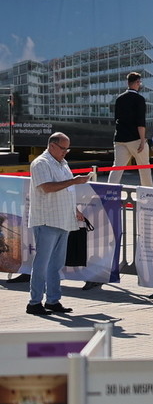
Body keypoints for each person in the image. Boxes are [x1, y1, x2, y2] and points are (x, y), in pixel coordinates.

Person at [25, 132, 90, 317]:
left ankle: (53, 300)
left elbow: (67, 191)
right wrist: (74, 181)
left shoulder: (62, 162)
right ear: (52, 146)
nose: (65, 152)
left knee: (56, 264)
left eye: (67, 149)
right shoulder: (41, 163)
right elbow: (47, 187)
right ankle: (34, 302)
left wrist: (75, 210)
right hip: (47, 220)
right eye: (63, 148)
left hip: (63, 219)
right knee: (42, 263)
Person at [111, 70, 150, 187]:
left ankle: (108, 192)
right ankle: (148, 193)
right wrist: (142, 140)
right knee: (144, 168)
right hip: (135, 139)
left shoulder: (119, 98)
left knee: (117, 168)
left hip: (120, 138)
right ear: (137, 82)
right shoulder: (139, 99)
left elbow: (116, 118)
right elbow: (140, 122)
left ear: (128, 83)